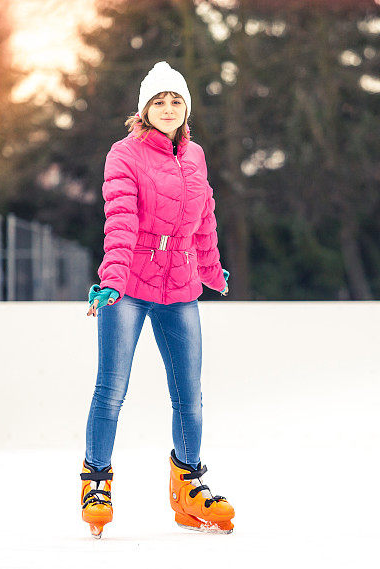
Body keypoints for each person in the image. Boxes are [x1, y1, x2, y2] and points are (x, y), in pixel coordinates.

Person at [78, 61, 235, 538]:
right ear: (144, 109)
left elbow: (204, 219)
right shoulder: (123, 155)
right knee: (112, 390)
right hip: (128, 286)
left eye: (176, 100)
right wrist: (112, 279)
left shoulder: (196, 157)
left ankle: (188, 485)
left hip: (180, 286)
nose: (168, 108)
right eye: (159, 101)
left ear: (186, 107)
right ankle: (96, 482)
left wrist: (210, 268)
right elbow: (121, 220)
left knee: (190, 394)